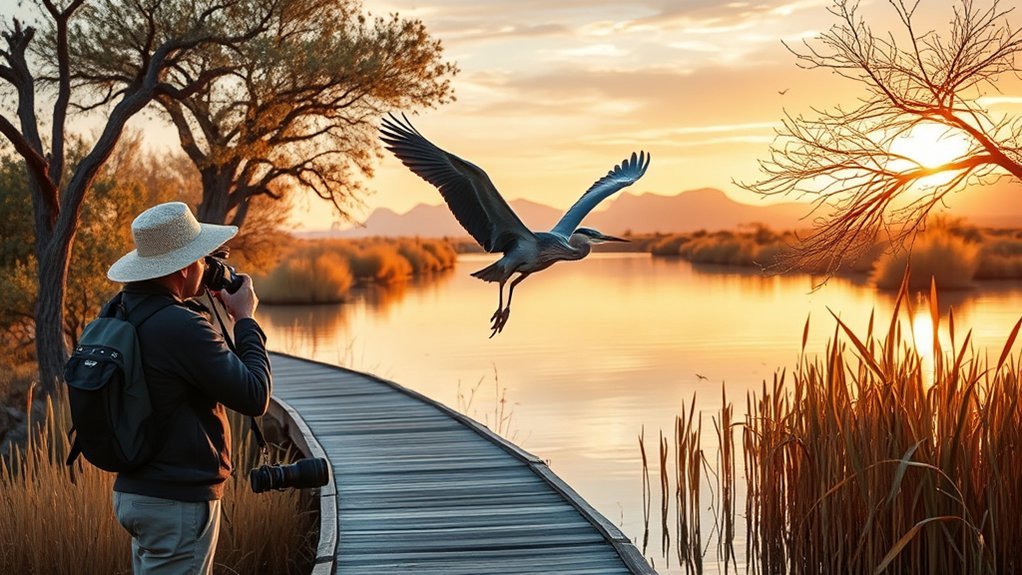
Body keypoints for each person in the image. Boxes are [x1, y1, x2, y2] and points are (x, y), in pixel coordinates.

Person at [104, 201, 272, 575]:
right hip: (176, 501)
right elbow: (255, 395)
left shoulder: (118, 310)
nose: (205, 265)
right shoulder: (181, 327)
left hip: (134, 492)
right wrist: (245, 320)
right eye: (201, 258)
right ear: (183, 267)